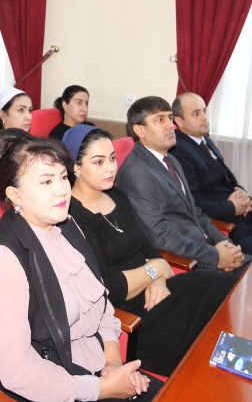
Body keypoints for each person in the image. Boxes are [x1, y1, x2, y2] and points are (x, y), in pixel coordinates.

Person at [0, 130, 154, 401]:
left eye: (63, 177)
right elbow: (18, 372)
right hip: (45, 387)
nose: (62, 189)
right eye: (46, 181)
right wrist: (101, 389)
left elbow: (101, 304)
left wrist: (113, 363)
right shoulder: (1, 259)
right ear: (15, 195)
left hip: (92, 367)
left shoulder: (65, 224)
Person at [64, 124, 235, 375]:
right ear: (76, 167)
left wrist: (158, 278)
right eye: (98, 162)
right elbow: (109, 287)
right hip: (130, 315)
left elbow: (148, 248)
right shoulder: (71, 215)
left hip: (155, 291)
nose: (110, 168)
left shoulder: (117, 195)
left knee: (222, 285)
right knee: (201, 336)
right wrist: (155, 271)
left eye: (112, 158)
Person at [116, 96, 248, 274]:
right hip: (186, 262)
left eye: (170, 118)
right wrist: (215, 256)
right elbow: (160, 236)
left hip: (204, 247)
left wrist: (223, 242)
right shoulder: (136, 173)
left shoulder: (171, 159)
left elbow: (195, 212)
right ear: (140, 130)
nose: (171, 126)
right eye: (160, 120)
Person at [171, 92, 252, 256]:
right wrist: (232, 207)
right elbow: (192, 201)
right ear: (179, 121)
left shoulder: (205, 141)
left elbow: (225, 181)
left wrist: (244, 196)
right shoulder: (178, 151)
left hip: (248, 218)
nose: (204, 117)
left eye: (204, 111)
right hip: (229, 229)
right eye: (196, 114)